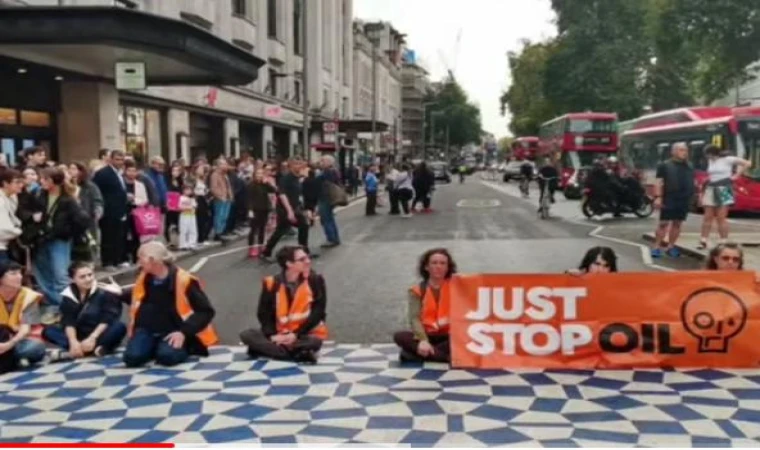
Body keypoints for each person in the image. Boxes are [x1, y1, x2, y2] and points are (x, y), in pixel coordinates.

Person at [122, 241, 217, 368]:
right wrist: (120, 293)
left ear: (152, 260)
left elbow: (205, 311)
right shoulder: (144, 277)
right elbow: (138, 298)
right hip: (147, 330)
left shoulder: (184, 280)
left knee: (167, 357)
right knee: (131, 358)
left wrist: (183, 332)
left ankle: (185, 346)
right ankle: (153, 346)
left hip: (174, 330)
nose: (138, 263)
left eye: (140, 259)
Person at [240, 245, 327, 364]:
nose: (308, 261)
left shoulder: (315, 280)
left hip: (305, 333)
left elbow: (318, 311)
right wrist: (272, 336)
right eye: (302, 259)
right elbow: (264, 314)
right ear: (289, 264)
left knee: (314, 341)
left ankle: (271, 350)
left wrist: (296, 335)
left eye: (308, 257)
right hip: (279, 333)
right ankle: (297, 354)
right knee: (247, 334)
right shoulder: (271, 283)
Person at [33, 168, 91, 322]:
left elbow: (83, 220)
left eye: (45, 179)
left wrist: (67, 233)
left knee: (60, 275)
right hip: (41, 240)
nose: (41, 182)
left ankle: (71, 308)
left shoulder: (68, 200)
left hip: (59, 240)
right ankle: (57, 306)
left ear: (53, 181)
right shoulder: (40, 195)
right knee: (44, 275)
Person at [42, 261, 127, 361]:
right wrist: (73, 341)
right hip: (79, 335)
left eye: (90, 275)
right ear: (73, 279)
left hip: (99, 333)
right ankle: (89, 349)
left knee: (119, 327)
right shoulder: (68, 295)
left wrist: (92, 338)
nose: (88, 279)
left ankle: (78, 351)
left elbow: (107, 319)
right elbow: (69, 321)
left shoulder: (104, 291)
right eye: (82, 277)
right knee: (48, 331)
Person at [393, 248, 457, 363]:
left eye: (443, 263)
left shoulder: (457, 287)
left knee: (463, 338)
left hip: (449, 336)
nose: (438, 266)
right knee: (399, 336)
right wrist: (423, 340)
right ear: (426, 267)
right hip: (427, 335)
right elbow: (414, 318)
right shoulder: (416, 290)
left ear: (448, 267)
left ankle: (414, 355)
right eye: (434, 263)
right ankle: (444, 358)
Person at [697, 145, 752, 249]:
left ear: (714, 153)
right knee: (707, 216)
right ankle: (703, 240)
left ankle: (723, 241)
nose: (708, 157)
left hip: (724, 188)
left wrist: (736, 175)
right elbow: (711, 175)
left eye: (709, 155)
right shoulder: (710, 161)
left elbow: (747, 163)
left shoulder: (728, 159)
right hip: (711, 188)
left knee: (721, 217)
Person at [261, 159, 313, 262]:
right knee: (285, 229)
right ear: (291, 166)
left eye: (300, 164)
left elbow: (297, 195)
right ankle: (266, 252)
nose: (299, 166)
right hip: (284, 209)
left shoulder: (296, 178)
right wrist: (289, 211)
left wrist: (303, 209)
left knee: (300, 226)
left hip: (294, 208)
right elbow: (282, 195)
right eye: (296, 164)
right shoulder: (286, 178)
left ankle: (303, 251)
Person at [0, 261, 46, 370]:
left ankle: (10, 358)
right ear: (1, 278)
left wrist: (9, 345)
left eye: (20, 273)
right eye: (13, 274)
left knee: (35, 347)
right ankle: (14, 360)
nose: (19, 277)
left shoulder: (29, 296)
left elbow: (26, 330)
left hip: (18, 340)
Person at [652, 143, 695, 258]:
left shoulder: (689, 166)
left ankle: (671, 246)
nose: (684, 152)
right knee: (663, 223)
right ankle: (656, 247)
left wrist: (696, 195)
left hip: (683, 198)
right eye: (681, 150)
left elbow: (692, 181)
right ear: (673, 152)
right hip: (669, 197)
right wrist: (658, 197)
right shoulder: (664, 165)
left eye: (685, 150)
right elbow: (658, 182)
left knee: (677, 223)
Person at [92, 149, 129, 270]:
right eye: (117, 159)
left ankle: (118, 259)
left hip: (120, 209)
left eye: (122, 159)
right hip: (108, 211)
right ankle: (108, 262)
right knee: (108, 237)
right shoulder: (103, 173)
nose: (120, 162)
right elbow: (96, 191)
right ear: (111, 159)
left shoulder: (120, 173)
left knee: (119, 235)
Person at [247, 168, 277, 258]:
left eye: (261, 174)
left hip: (264, 209)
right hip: (254, 209)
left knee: (262, 229)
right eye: (257, 174)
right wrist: (250, 210)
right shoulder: (251, 185)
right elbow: (249, 199)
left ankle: (260, 247)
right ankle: (251, 248)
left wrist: (267, 183)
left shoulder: (264, 185)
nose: (259, 175)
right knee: (253, 229)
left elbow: (274, 190)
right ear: (254, 175)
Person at [0, 169, 24, 264]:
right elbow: (3, 229)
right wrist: (19, 231)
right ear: (5, 183)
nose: (21, 185)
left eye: (21, 182)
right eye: (17, 182)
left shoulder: (12, 197)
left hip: (6, 245)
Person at [317, 155, 341, 248]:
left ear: (328, 162)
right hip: (329, 198)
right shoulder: (334, 171)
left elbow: (323, 184)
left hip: (325, 198)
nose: (320, 163)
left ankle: (331, 239)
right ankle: (335, 238)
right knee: (330, 218)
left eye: (322, 161)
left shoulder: (327, 172)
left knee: (326, 219)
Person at [178, 185, 198, 251]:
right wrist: (187, 208)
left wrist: (192, 206)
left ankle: (191, 244)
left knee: (192, 230)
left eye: (190, 190)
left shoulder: (192, 199)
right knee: (183, 230)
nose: (189, 191)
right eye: (187, 189)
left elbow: (195, 206)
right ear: (183, 190)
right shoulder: (181, 198)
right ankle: (183, 245)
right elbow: (179, 207)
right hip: (184, 215)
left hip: (192, 216)